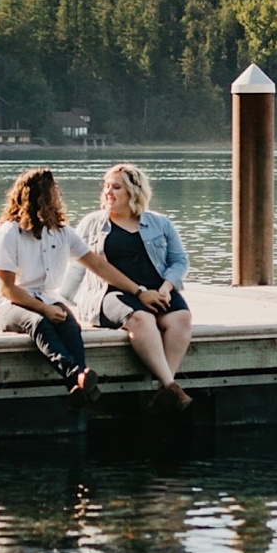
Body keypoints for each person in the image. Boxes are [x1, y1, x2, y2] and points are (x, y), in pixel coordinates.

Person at [0, 167, 146, 402]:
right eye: (54, 189)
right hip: (9, 304)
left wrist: (138, 291)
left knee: (70, 324)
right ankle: (76, 375)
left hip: (45, 298)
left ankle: (79, 382)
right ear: (41, 195)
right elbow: (7, 288)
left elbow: (100, 266)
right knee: (39, 322)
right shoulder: (10, 232)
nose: (59, 193)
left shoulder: (62, 233)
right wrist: (44, 309)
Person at [70, 163, 193, 410]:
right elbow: (76, 263)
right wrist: (63, 300)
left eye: (116, 187)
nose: (108, 192)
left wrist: (167, 288)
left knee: (181, 318)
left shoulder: (160, 223)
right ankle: (170, 386)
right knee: (142, 319)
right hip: (111, 293)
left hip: (157, 290)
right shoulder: (92, 223)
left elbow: (179, 260)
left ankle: (164, 393)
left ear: (133, 193)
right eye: (106, 186)